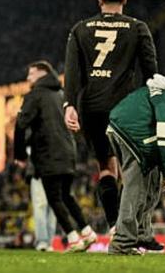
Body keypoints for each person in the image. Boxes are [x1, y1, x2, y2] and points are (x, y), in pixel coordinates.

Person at [64, 0, 158, 230]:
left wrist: (69, 104)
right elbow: (150, 71)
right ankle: (130, 227)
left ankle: (115, 225)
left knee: (106, 166)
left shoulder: (80, 29)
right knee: (130, 167)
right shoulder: (137, 27)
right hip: (124, 106)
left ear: (99, 0)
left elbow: (72, 72)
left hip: (91, 108)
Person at [15, 61, 97, 252]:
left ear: (42, 73)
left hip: (47, 153)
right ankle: (87, 232)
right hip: (68, 152)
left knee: (54, 198)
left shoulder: (35, 95)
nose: (28, 78)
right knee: (66, 195)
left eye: (31, 74)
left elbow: (20, 124)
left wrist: (20, 154)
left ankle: (73, 238)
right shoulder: (62, 95)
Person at [106, 74, 165, 255]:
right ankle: (122, 242)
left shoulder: (164, 90)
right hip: (133, 132)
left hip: (124, 126)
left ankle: (142, 234)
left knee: (152, 181)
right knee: (135, 188)